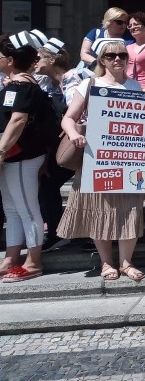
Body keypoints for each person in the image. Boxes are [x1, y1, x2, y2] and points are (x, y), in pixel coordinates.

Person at [57, 38, 145, 282]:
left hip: (129, 158)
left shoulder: (136, 86)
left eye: (122, 55)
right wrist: (74, 134)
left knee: (130, 209)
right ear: (101, 60)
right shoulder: (89, 84)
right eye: (110, 56)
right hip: (96, 156)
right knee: (98, 210)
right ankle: (107, 263)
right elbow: (68, 118)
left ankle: (127, 262)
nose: (117, 59)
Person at [0, 32, 60, 282]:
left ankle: (33, 261)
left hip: (22, 155)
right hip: (13, 155)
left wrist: (0, 152)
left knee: (26, 207)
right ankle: (11, 258)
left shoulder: (21, 85)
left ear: (11, 60)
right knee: (12, 209)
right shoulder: (15, 84)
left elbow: (18, 120)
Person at [34, 36, 75, 251]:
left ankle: (76, 233)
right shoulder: (50, 83)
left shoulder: (75, 78)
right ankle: (58, 231)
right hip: (63, 145)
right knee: (47, 183)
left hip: (80, 143)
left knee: (50, 184)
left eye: (39, 57)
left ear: (51, 60)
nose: (36, 61)